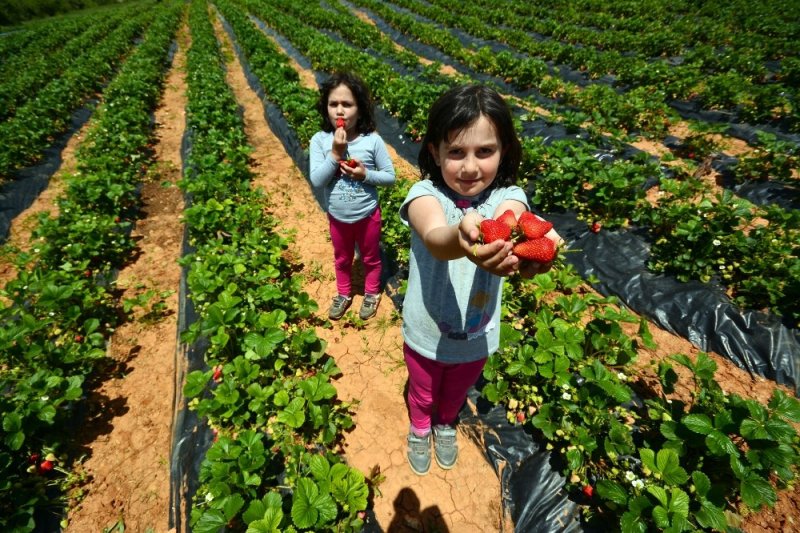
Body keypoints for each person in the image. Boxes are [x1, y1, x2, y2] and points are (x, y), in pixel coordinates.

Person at [399, 84, 560, 475]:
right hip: (426, 330)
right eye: (456, 152)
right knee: (422, 389)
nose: (470, 167)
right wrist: (463, 237)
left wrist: (542, 245)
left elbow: (516, 217)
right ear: (435, 151)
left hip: (478, 333)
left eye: (484, 151)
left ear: (503, 150)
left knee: (456, 390)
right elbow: (437, 239)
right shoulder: (424, 196)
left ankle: (445, 423)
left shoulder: (507, 198)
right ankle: (420, 426)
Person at [310, 72, 396, 321]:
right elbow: (317, 180)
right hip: (337, 217)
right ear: (325, 107)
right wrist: (335, 154)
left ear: (360, 109)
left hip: (367, 214)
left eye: (347, 104)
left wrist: (364, 174)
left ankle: (371, 293)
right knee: (342, 258)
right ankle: (344, 293)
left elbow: (390, 177)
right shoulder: (320, 141)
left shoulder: (372, 142)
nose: (339, 111)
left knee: (370, 257)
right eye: (333, 104)